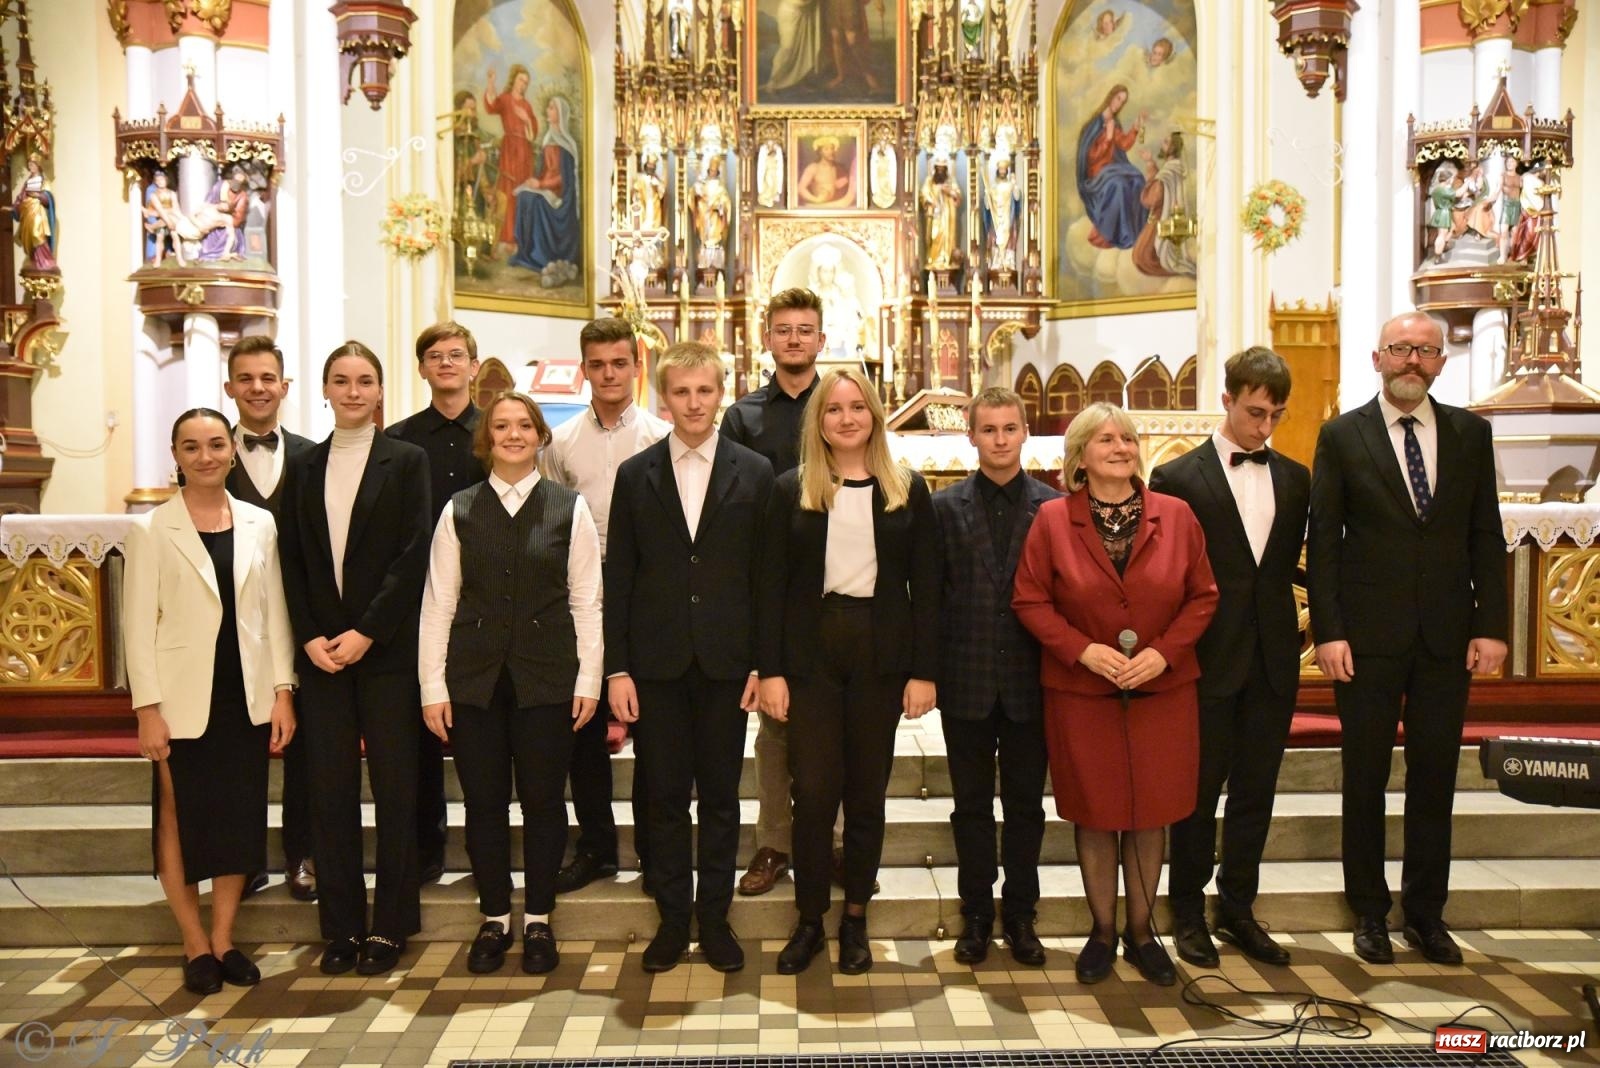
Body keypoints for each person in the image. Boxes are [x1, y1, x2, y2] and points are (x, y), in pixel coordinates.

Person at [1308, 311, 1507, 966]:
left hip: (1446, 636)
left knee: (1435, 778)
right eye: (1400, 349)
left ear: (1441, 362)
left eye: (1425, 350)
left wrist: (1491, 625)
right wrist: (1329, 632)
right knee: (1365, 777)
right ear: (1378, 358)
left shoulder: (1471, 434)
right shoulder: (1342, 436)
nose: (1412, 361)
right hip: (1366, 638)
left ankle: (1426, 914)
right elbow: (1324, 542)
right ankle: (1369, 911)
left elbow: (1486, 534)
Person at [1012, 403, 1217, 986]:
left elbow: (1203, 596)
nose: (1121, 447)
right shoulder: (1053, 520)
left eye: (1127, 438)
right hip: (1083, 692)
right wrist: (1083, 650)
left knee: (1151, 814)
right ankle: (1102, 933)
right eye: (1106, 439)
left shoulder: (1177, 515)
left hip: (1162, 690)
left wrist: (1163, 653)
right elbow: (1030, 599)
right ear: (1081, 454)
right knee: (1097, 813)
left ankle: (1143, 934)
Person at [757, 366, 940, 975]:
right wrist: (771, 671)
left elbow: (928, 588)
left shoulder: (906, 489)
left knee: (865, 792)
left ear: (874, 416)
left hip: (879, 652)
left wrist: (923, 671)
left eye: (857, 407)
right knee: (812, 793)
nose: (846, 418)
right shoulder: (792, 489)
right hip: (811, 653)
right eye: (833, 409)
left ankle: (855, 915)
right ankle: (810, 919)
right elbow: (771, 586)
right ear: (819, 421)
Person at [604, 341, 775, 974]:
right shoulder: (636, 474)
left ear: (721, 393)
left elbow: (765, 578)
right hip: (657, 662)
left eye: (705, 391)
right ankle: (674, 920)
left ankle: (716, 918)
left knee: (723, 796)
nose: (694, 403)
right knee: (666, 797)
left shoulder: (754, 472)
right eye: (682, 392)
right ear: (663, 396)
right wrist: (617, 668)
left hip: (727, 663)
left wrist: (761, 663)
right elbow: (620, 576)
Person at [419, 392, 602, 975]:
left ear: (541, 436)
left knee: (545, 802)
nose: (514, 434)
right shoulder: (459, 510)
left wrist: (590, 678)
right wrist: (432, 687)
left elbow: (587, 601)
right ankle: (495, 916)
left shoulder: (569, 508)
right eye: (502, 426)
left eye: (525, 425)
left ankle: (540, 917)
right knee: (484, 803)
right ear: (488, 438)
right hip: (474, 678)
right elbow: (439, 603)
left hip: (548, 674)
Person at [123, 408, 297, 995]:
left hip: (244, 692)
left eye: (217, 444)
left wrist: (282, 690)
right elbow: (137, 627)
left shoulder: (258, 522)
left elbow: (274, 612)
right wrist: (147, 708)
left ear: (232, 451)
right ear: (175, 454)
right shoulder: (152, 529)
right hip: (180, 696)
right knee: (178, 813)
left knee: (238, 816)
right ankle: (193, 941)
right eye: (192, 446)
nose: (206, 456)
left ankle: (224, 938)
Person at [1148, 348, 1310, 969]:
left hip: (1273, 656)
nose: (1264, 427)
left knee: (1255, 790)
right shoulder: (1178, 477)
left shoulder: (1296, 478)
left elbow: (1294, 567)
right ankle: (1187, 910)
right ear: (1227, 400)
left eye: (1275, 416)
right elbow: (1163, 576)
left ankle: (1238, 909)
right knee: (1197, 790)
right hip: (1205, 656)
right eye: (1254, 413)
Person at [279, 341, 432, 977]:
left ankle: (391, 924)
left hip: (386, 651)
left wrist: (368, 630)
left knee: (396, 790)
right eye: (340, 381)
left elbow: (414, 553)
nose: (352, 391)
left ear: (380, 391)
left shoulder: (408, 460)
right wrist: (310, 636)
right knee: (330, 792)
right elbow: (291, 559)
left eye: (365, 381)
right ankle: (340, 926)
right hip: (323, 657)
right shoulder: (303, 465)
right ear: (325, 390)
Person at [542, 318, 670, 895]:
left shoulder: (661, 436)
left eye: (620, 363)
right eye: (598, 364)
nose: (609, 374)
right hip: (582, 598)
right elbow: (550, 517)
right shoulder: (560, 442)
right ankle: (596, 846)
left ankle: (654, 849)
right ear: (583, 370)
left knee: (655, 731)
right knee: (584, 729)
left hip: (647, 598)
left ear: (636, 368)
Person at [932, 388, 1059, 967]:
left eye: (1010, 428)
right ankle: (977, 913)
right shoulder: (944, 507)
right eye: (989, 429)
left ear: (1025, 432)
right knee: (972, 806)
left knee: (1027, 806)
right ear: (971, 436)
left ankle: (1022, 914)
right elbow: (931, 595)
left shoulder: (1053, 507)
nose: (1000, 439)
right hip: (967, 677)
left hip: (1033, 680)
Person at [725, 288, 823, 898]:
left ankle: (833, 842)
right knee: (776, 728)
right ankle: (774, 844)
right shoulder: (743, 416)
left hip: (837, 585)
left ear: (821, 340)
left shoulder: (843, 404)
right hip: (771, 585)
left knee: (833, 726)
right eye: (783, 329)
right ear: (768, 339)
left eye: (804, 330)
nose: (793, 339)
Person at [386, 322, 487, 887]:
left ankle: (484, 846)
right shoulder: (398, 441)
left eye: (456, 354)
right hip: (417, 600)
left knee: (479, 732)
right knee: (419, 730)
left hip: (485, 602)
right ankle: (426, 845)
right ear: (422, 368)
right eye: (434, 356)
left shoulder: (500, 433)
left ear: (474, 366)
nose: (446, 363)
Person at [223, 336, 318, 903]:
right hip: (230, 627)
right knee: (239, 750)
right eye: (246, 378)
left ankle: (301, 854)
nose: (257, 388)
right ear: (230, 387)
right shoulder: (210, 453)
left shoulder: (312, 455)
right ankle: (242, 860)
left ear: (284, 386)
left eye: (267, 378)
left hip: (298, 621)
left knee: (304, 749)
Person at [510, 96, 582, 273]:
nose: (547, 111)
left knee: (536, 201)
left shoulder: (567, 145)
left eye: (551, 108)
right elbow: (543, 170)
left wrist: (541, 184)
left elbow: (564, 179)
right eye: (548, 107)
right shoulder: (548, 139)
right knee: (523, 196)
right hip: (545, 187)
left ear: (560, 114)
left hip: (559, 194)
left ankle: (540, 255)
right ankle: (526, 251)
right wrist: (533, 181)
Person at [1076, 85, 1148, 251]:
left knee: (1137, 180)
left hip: (1112, 170)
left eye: (1123, 102)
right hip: (1096, 174)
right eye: (1118, 99)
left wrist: (1135, 128)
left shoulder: (1114, 124)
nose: (1119, 104)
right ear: (1111, 96)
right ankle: (1110, 234)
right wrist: (1108, 139)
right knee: (1119, 185)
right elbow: (1091, 157)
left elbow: (1123, 144)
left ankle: (1136, 232)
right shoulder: (1094, 125)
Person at [483, 65, 538, 246]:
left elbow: (532, 134)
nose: (523, 84)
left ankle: (519, 236)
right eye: (521, 80)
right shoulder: (506, 99)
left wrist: (526, 119)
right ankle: (506, 236)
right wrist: (491, 82)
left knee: (522, 190)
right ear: (514, 79)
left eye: (526, 82)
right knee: (507, 189)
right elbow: (491, 106)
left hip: (524, 152)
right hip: (510, 151)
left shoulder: (526, 106)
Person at [1132, 132, 1196, 277]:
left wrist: (1148, 185)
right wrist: (1150, 162)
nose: (1162, 144)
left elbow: (1152, 198)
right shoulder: (1174, 168)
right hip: (1164, 214)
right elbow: (1161, 184)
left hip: (1162, 217)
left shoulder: (1169, 170)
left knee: (1142, 257)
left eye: (1166, 142)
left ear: (1172, 148)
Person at [12, 154, 57, 273]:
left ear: (38, 166)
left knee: (38, 234)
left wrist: (39, 195)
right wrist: (14, 207)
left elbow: (48, 199)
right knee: (31, 237)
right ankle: (36, 261)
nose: (30, 166)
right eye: (29, 164)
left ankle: (46, 261)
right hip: (28, 213)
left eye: (32, 164)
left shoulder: (44, 181)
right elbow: (20, 198)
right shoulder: (27, 183)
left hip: (38, 213)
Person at [765, 0, 820, 92]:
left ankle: (799, 80)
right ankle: (774, 81)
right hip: (791, 12)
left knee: (803, 49)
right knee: (788, 48)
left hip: (805, 13)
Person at [921, 155, 962, 268]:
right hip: (935, 214)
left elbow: (958, 196)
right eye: (938, 168)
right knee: (934, 235)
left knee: (946, 236)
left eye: (942, 169)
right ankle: (934, 259)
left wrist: (949, 191)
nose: (940, 171)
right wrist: (931, 201)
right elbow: (924, 194)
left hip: (947, 216)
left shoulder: (951, 181)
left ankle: (946, 258)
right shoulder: (929, 181)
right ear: (935, 168)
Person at [797, 137, 853, 208]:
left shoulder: (839, 168)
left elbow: (848, 182)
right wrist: (816, 200)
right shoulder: (813, 168)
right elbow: (800, 188)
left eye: (832, 148)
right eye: (826, 149)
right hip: (818, 207)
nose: (831, 152)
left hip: (835, 204)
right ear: (820, 152)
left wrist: (847, 179)